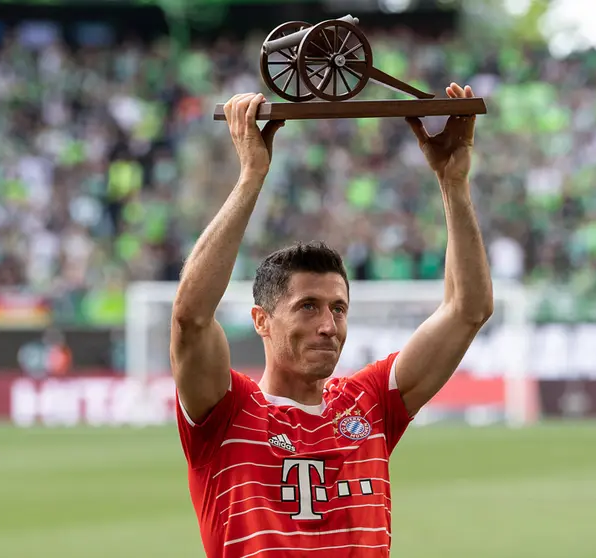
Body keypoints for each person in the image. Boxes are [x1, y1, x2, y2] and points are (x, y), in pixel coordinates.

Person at [171, 83, 493, 558]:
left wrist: (453, 183)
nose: (329, 324)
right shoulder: (227, 412)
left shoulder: (369, 404)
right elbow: (191, 317)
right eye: (308, 306)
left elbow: (468, 309)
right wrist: (251, 177)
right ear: (261, 320)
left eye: (338, 308)